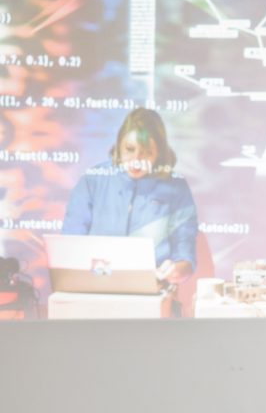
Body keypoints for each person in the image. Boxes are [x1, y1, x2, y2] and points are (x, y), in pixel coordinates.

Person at [62, 108, 198, 286]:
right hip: (96, 284)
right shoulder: (93, 180)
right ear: (118, 145)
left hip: (153, 287)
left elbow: (185, 251)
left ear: (159, 153)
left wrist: (177, 270)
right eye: (130, 149)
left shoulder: (176, 187)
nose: (136, 159)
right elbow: (71, 243)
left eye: (147, 152)